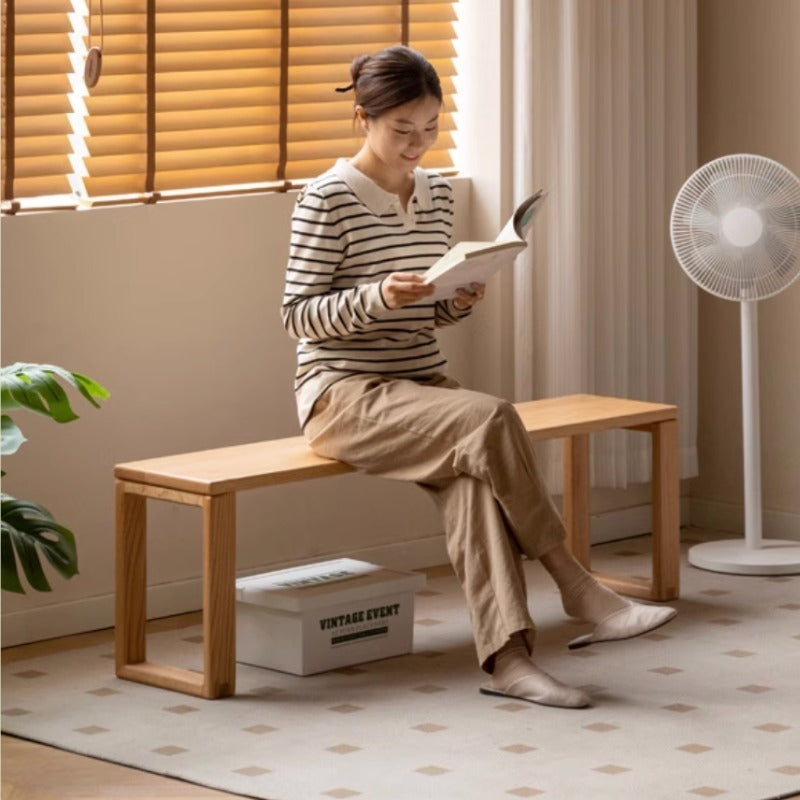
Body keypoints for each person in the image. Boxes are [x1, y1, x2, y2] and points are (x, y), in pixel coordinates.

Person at [281, 45, 675, 709]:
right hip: (341, 396)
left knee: (471, 486)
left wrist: (453, 301)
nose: (416, 144)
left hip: (420, 390)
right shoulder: (327, 199)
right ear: (363, 119)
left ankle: (509, 663)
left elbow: (427, 311)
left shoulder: (436, 194)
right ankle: (576, 584)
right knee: (491, 415)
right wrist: (381, 296)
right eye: (401, 130)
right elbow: (297, 318)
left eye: (430, 128)